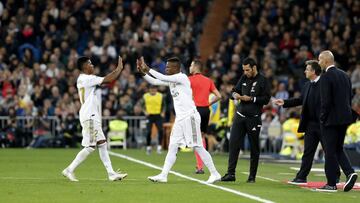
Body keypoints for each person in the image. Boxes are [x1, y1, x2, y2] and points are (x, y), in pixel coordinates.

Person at [137, 56, 221, 183]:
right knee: (172, 146)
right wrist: (142, 73)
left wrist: (147, 68)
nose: (165, 69)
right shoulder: (172, 80)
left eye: (168, 67)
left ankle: (215, 173)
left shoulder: (182, 77)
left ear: (175, 68)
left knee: (197, 146)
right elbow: (155, 82)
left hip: (190, 117)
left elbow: (162, 77)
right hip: (180, 119)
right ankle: (164, 175)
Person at [62, 56, 127, 182]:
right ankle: (69, 170)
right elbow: (109, 79)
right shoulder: (87, 79)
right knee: (90, 147)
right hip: (90, 116)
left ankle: (111, 173)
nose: (92, 66)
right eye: (90, 64)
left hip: (91, 115)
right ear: (84, 66)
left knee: (102, 144)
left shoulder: (82, 79)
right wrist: (119, 68)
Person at [273, 60, 336, 184]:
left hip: (324, 124)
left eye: (307, 69)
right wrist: (285, 102)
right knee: (308, 152)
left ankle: (335, 177)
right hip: (310, 124)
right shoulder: (307, 85)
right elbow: (300, 100)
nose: (305, 71)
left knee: (329, 152)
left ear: (313, 71)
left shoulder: (325, 83)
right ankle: (301, 176)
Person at [221, 57, 271, 183]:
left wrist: (251, 99)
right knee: (233, 144)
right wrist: (235, 96)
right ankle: (230, 173)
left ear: (254, 68)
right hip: (240, 116)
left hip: (253, 118)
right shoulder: (243, 78)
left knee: (254, 148)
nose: (245, 72)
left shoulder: (263, 80)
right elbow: (233, 91)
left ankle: (252, 176)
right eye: (244, 70)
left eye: (247, 70)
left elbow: (266, 99)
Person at [316, 50, 357, 192]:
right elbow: (350, 97)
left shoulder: (325, 77)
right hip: (345, 118)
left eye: (320, 60)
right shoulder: (345, 75)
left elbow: (325, 102)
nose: (319, 62)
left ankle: (331, 183)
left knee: (330, 151)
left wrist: (322, 118)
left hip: (331, 120)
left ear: (326, 61)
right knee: (338, 148)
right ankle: (350, 172)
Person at [188, 59, 222, 174]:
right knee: (201, 137)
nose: (190, 67)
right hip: (205, 110)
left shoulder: (189, 80)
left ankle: (200, 167)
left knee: (195, 139)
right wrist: (208, 104)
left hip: (195, 110)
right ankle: (201, 166)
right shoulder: (208, 80)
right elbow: (218, 96)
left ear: (195, 67)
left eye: (191, 65)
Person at [141, 85, 165, 154]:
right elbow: (142, 105)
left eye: (154, 89)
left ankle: (159, 147)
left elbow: (164, 105)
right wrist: (145, 112)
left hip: (158, 115)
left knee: (161, 131)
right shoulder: (145, 96)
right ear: (149, 89)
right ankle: (148, 147)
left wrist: (163, 112)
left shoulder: (160, 96)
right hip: (149, 115)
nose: (153, 90)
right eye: (151, 89)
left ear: (156, 89)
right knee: (148, 131)